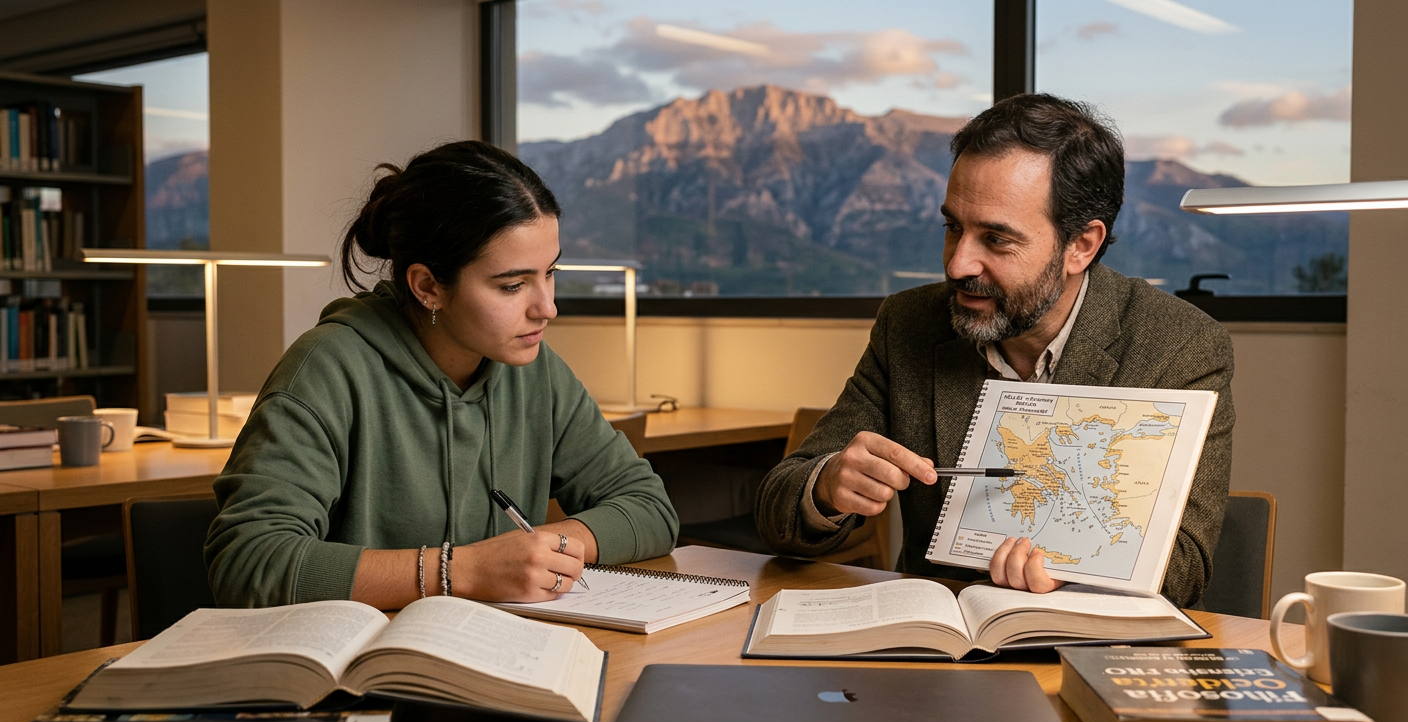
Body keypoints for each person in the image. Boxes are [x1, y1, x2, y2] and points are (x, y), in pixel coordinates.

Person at [755, 94, 1234, 608]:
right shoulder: (909, 324)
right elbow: (777, 510)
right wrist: (826, 486)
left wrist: (1067, 572)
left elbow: (1185, 566)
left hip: (1084, 644)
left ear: (1081, 246)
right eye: (953, 227)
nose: (958, 264)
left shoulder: (1179, 345)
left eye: (996, 240)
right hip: (932, 636)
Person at [206, 140, 678, 609]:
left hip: (500, 643)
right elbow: (249, 562)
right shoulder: (327, 368)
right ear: (428, 287)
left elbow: (649, 507)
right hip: (364, 651)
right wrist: (465, 571)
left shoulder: (537, 372)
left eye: (549, 273)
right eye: (513, 285)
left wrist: (541, 553)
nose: (547, 308)